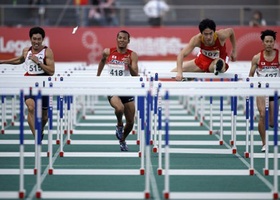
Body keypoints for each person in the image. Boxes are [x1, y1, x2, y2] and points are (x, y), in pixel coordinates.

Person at [0, 27, 55, 141]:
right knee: (31, 107)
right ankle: (37, 137)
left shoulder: (47, 51)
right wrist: (3, 62)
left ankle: (40, 130)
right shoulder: (26, 50)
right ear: (30, 38)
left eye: (39, 39)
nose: (36, 42)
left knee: (45, 116)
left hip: (43, 83)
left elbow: (51, 71)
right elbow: (20, 60)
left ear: (42, 39)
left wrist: (38, 62)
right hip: (28, 82)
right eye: (34, 39)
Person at [96, 30, 139, 151]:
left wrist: (129, 65)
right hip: (112, 87)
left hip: (126, 88)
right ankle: (119, 124)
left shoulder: (132, 55)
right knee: (119, 108)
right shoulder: (108, 52)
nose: (121, 40)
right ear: (116, 39)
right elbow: (102, 61)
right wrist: (97, 77)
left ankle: (122, 140)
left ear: (128, 41)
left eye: (124, 38)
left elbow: (136, 75)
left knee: (130, 122)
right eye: (119, 38)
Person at [172, 18, 237, 81]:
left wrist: (234, 51)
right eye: (206, 34)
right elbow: (181, 54)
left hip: (218, 61)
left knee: (217, 65)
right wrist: (179, 73)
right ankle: (194, 75)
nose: (208, 37)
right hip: (203, 60)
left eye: (211, 33)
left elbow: (231, 31)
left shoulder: (221, 35)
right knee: (173, 73)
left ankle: (197, 74)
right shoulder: (196, 39)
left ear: (214, 31)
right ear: (201, 33)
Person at [248, 29, 280, 152]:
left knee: (272, 122)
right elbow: (250, 75)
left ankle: (270, 123)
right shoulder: (256, 58)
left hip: (275, 91)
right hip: (261, 90)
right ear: (263, 43)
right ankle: (264, 144)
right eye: (266, 41)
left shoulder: (278, 57)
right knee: (262, 115)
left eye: (271, 41)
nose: (269, 44)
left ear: (274, 42)